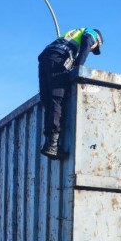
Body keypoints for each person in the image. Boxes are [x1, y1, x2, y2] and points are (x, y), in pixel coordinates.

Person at [38, 28, 103, 160]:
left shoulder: (71, 34)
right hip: (59, 58)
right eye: (95, 47)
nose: (91, 49)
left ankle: (49, 143)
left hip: (45, 57)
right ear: (98, 41)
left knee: (48, 101)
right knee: (57, 99)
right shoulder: (92, 33)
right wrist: (79, 68)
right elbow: (86, 44)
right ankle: (53, 145)